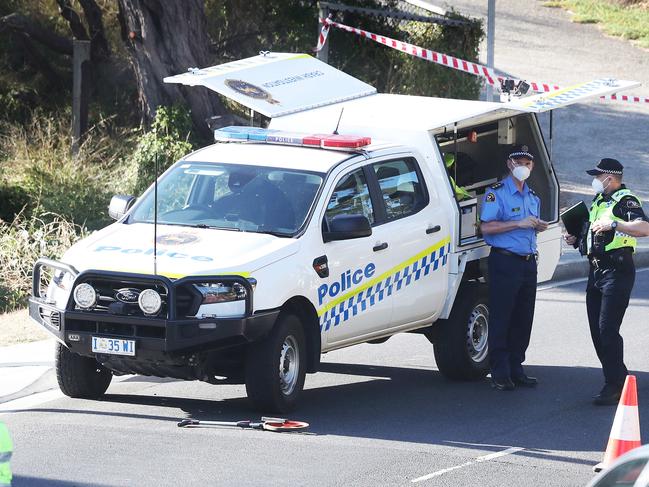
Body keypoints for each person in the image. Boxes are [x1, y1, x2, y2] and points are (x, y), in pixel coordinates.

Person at [564, 158, 649, 405]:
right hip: (596, 271)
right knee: (596, 330)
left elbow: (644, 227)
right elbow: (594, 231)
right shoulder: (600, 201)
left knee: (607, 329)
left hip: (617, 269)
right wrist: (577, 238)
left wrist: (614, 222)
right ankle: (618, 377)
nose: (595, 180)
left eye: (598, 176)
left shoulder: (626, 200)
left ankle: (614, 385)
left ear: (609, 178)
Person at [480, 145, 548, 391]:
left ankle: (517, 367)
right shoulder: (496, 193)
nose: (524, 166)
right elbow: (486, 227)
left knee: (523, 317)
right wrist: (517, 223)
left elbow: (529, 228)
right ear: (510, 164)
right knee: (503, 315)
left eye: (528, 163)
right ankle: (499, 371)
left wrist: (537, 225)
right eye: (519, 162)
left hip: (528, 262)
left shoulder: (533, 197)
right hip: (505, 261)